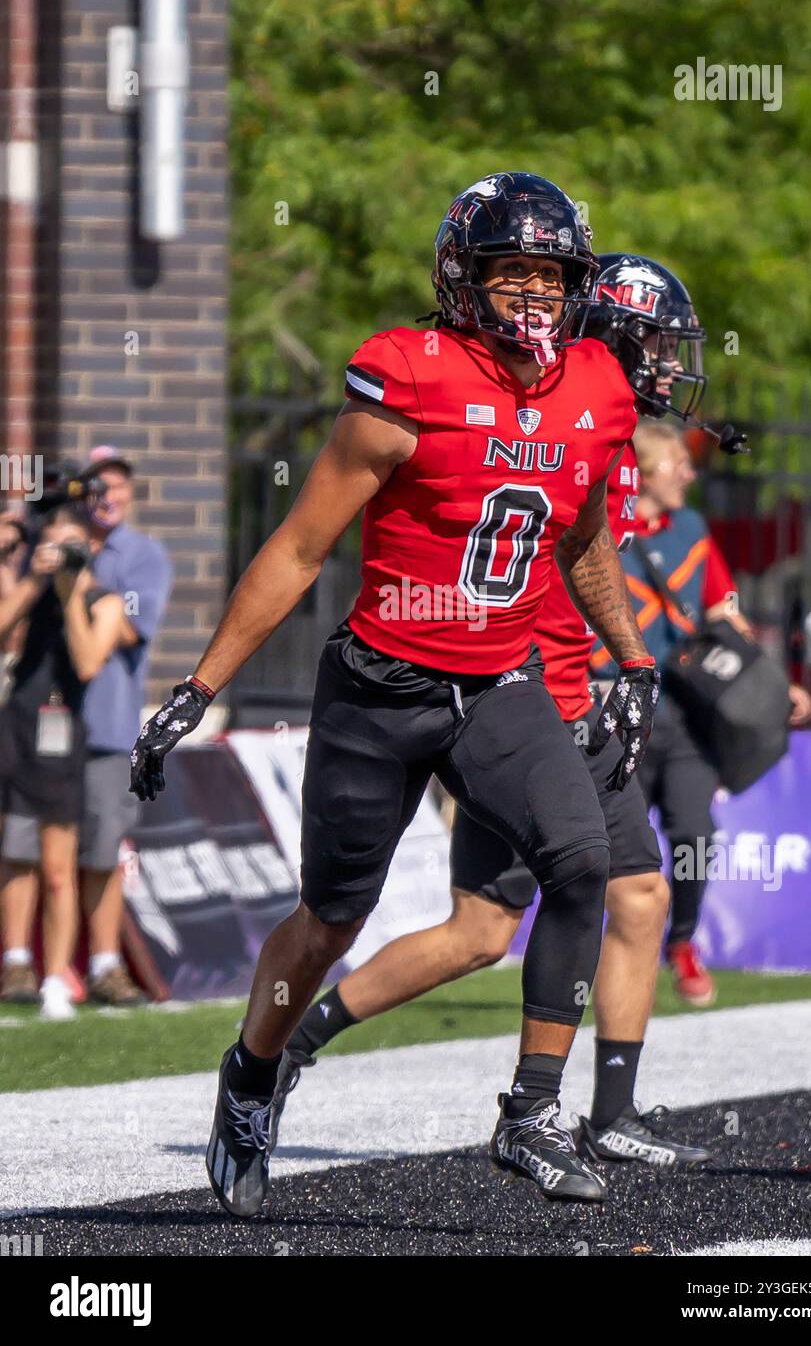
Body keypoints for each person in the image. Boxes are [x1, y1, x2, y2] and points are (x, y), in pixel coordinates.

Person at [131, 173, 659, 1213]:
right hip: (381, 683)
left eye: (549, 276)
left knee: (581, 858)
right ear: (461, 277)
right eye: (509, 272)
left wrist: (630, 656)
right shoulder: (405, 378)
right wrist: (199, 687)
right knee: (330, 917)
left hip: (500, 678)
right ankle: (250, 1071)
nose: (532, 296)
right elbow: (295, 547)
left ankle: (530, 1111)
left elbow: (584, 533)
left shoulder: (596, 388)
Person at [265, 254, 715, 1174]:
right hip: (529, 704)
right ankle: (303, 1046)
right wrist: (574, 699)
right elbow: (527, 589)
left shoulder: (595, 417)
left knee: (530, 917)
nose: (669, 364)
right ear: (617, 334)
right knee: (551, 908)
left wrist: (622, 663)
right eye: (658, 343)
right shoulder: (561, 418)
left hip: (532, 700)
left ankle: (593, 1106)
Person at [591, 417, 811, 1005]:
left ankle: (682, 941)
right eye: (676, 464)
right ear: (640, 472)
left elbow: (724, 608)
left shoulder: (689, 526)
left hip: (685, 712)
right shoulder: (599, 530)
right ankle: (609, 950)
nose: (689, 472)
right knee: (613, 849)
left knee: (695, 832)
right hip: (618, 710)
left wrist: (772, 684)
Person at [0, 506, 126, 1018]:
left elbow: (89, 662)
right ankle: (15, 965)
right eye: (54, 544)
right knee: (16, 857)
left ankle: (55, 978)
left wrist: (70, 594)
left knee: (57, 868)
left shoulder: (105, 601)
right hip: (17, 732)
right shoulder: (31, 595)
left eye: (73, 544)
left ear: (91, 548)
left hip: (64, 740)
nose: (64, 554)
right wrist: (34, 581)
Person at [78, 446, 173, 1005]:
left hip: (108, 727)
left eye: (115, 486)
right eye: (95, 486)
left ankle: (104, 964)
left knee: (101, 849)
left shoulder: (141, 556)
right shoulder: (56, 545)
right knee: (29, 849)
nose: (106, 496)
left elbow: (129, 630)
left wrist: (80, 584)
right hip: (37, 726)